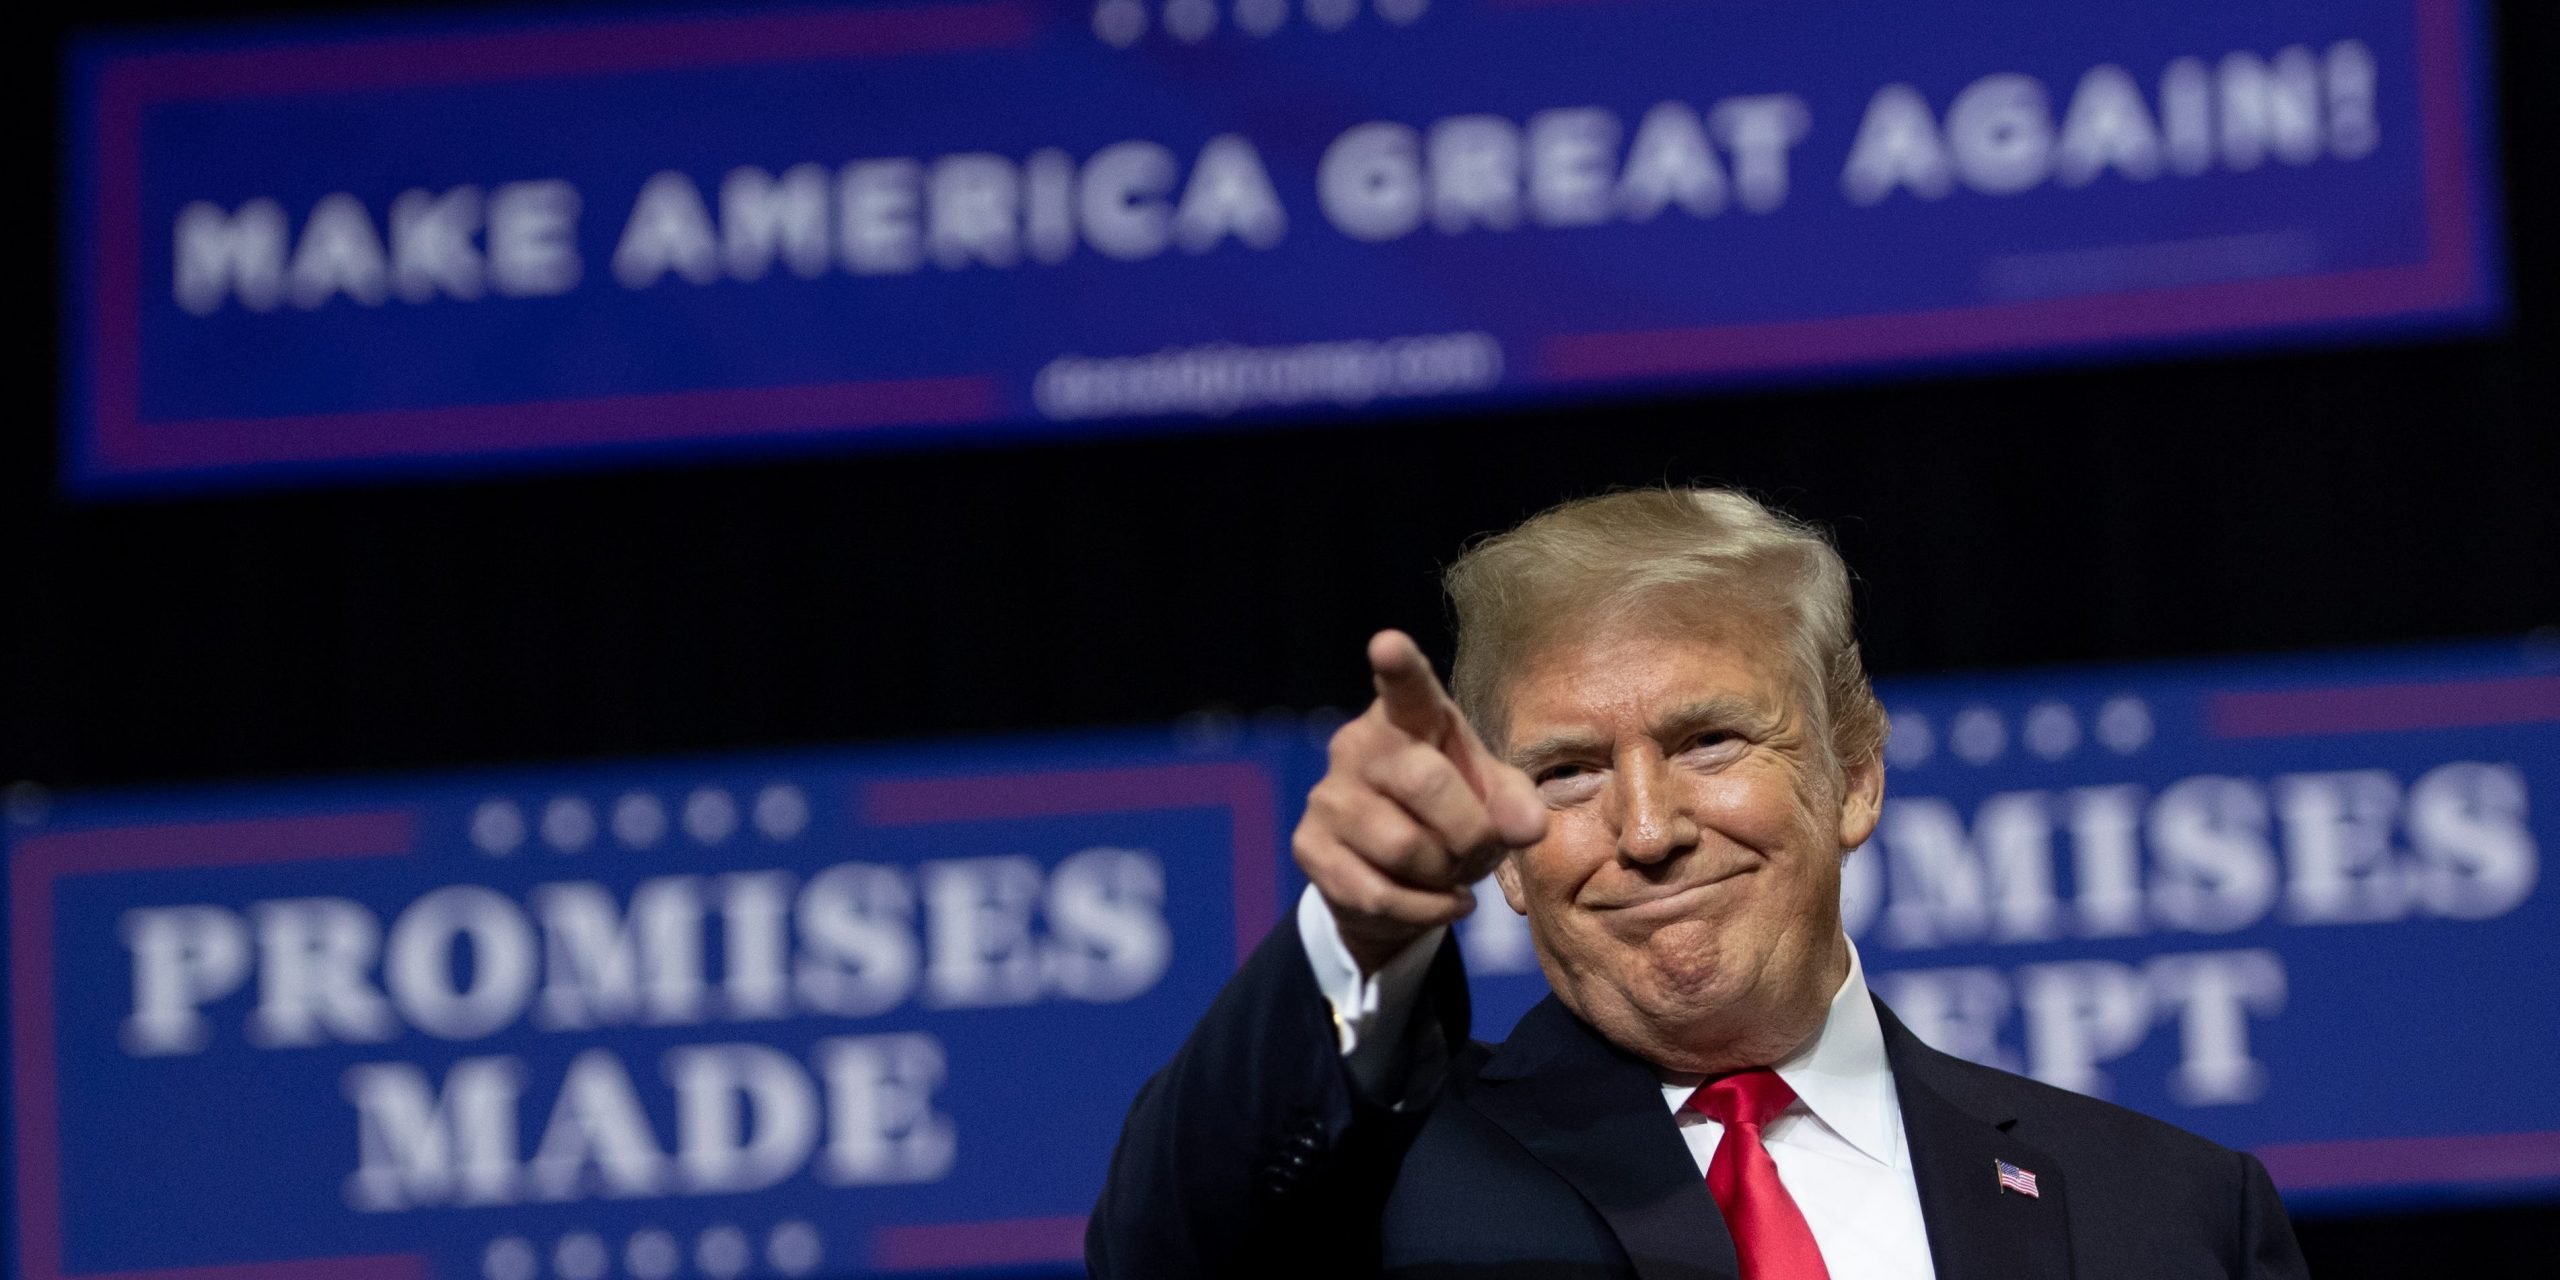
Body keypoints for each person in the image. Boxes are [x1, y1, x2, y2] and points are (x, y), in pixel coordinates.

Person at [1088, 488, 2307, 1280]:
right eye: (1564, 771)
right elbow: (1163, 1248)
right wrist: (1357, 927)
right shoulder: (1383, 1195)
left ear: (1855, 776)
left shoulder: (2173, 1211)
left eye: (1709, 741)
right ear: (1505, 851)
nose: (1646, 824)